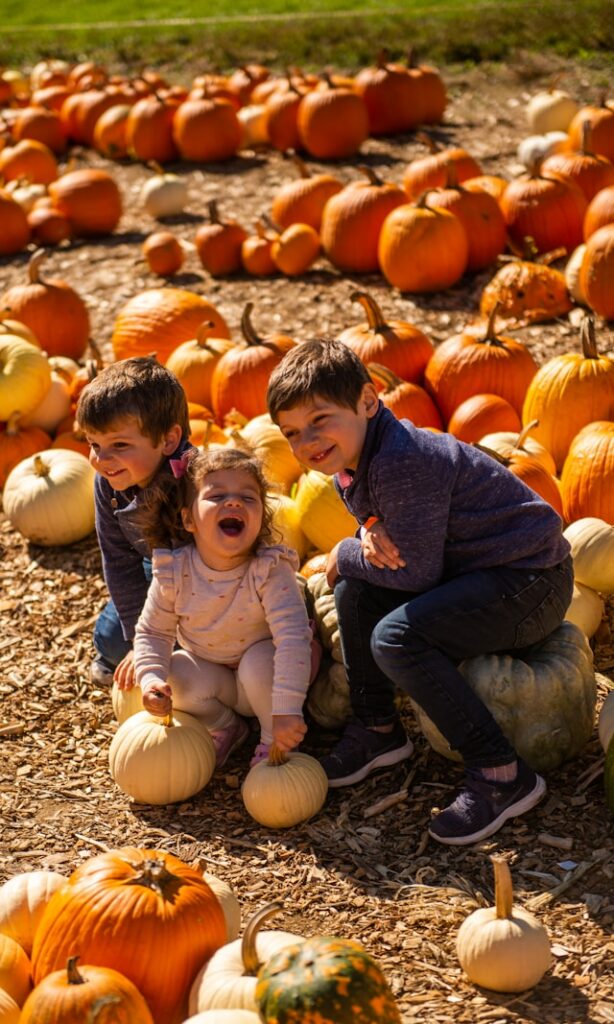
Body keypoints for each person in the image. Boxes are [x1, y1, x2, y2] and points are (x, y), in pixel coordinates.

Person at [266, 339, 573, 846]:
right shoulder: (359, 452)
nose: (308, 441)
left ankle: (503, 774)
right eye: (293, 432)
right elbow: (388, 530)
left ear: (368, 400)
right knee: (359, 594)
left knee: (396, 638)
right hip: (476, 572)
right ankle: (378, 730)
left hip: (530, 583)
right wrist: (366, 534)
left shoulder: (402, 461)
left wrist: (345, 553)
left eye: (320, 419)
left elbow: (415, 578)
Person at [129, 446, 315, 768]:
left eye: (248, 497)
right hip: (220, 680)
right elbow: (153, 632)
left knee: (258, 662)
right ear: (189, 519)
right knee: (174, 672)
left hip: (273, 674)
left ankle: (274, 738)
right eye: (216, 497)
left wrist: (286, 710)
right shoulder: (174, 572)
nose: (233, 502)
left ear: (261, 515)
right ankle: (226, 725)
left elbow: (293, 639)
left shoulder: (269, 570)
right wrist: (151, 680)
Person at [75, 356, 192, 689]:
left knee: (190, 663)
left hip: (205, 587)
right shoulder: (108, 483)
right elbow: (118, 560)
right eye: (94, 445)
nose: (102, 459)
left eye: (120, 445)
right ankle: (118, 653)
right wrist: (141, 636)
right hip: (149, 571)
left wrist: (153, 643)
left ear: (169, 440)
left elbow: (200, 572)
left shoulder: (196, 484)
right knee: (112, 638)